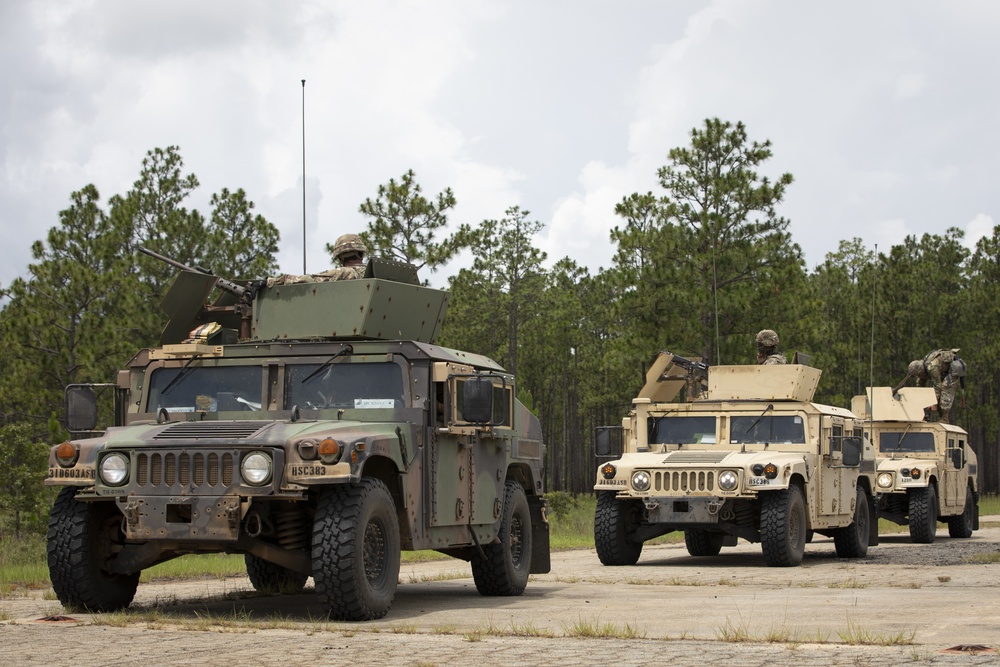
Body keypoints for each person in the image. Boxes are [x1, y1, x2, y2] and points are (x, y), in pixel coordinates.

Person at [267, 234, 369, 286]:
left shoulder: (344, 273)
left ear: (341, 257)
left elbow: (307, 280)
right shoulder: (373, 272)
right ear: (361, 254)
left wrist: (273, 281)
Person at [898, 349, 965, 423]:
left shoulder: (931, 368)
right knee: (938, 391)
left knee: (945, 387)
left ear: (921, 371)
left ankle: (945, 418)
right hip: (943, 371)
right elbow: (919, 387)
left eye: (919, 374)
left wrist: (934, 403)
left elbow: (937, 385)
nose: (919, 376)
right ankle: (937, 417)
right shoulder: (922, 370)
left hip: (953, 368)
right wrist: (920, 403)